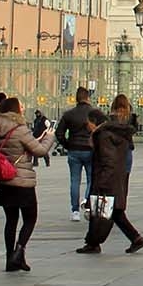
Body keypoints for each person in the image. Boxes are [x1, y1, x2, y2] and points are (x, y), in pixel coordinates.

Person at [78, 95, 143, 254]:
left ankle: (95, 243)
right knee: (113, 211)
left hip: (106, 177)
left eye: (87, 124)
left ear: (93, 123)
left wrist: (102, 180)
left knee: (102, 210)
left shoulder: (103, 135)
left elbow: (107, 159)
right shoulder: (120, 132)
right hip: (118, 175)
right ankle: (131, 239)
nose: (87, 127)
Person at [0, 96, 48, 272]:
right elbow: (39, 151)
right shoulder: (20, 129)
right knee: (30, 218)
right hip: (22, 180)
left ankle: (11, 259)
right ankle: (19, 250)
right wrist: (49, 137)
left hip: (4, 180)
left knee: (11, 220)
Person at [53, 88, 97, 221]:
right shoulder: (94, 114)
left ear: (76, 98)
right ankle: (88, 204)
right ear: (88, 98)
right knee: (91, 179)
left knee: (75, 180)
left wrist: (67, 145)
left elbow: (59, 133)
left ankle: (75, 211)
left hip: (74, 150)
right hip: (90, 150)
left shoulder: (69, 114)